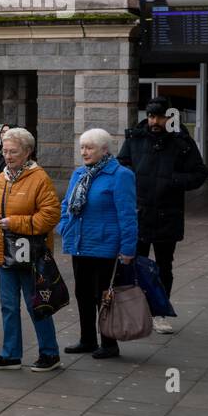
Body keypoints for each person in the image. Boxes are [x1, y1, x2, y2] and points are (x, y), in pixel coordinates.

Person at [0, 127, 62, 371]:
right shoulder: (1, 177)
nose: (7, 156)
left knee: (36, 304)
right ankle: (10, 354)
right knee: (8, 305)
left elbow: (50, 216)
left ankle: (49, 353)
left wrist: (16, 223)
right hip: (3, 252)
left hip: (31, 252)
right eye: (5, 151)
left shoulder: (39, 178)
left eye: (13, 151)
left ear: (28, 152)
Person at [117, 96, 207, 334]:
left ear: (170, 117)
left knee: (164, 266)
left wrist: (172, 181)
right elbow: (121, 165)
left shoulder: (182, 143)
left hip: (168, 214)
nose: (154, 121)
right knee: (134, 264)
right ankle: (138, 310)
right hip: (139, 213)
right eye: (150, 116)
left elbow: (199, 173)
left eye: (159, 116)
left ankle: (160, 312)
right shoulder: (135, 139)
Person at [59, 128, 138, 359]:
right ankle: (87, 340)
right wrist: (64, 227)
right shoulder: (79, 174)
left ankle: (109, 343)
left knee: (104, 296)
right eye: (82, 147)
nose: (84, 152)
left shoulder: (120, 175)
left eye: (89, 147)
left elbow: (127, 214)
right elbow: (65, 204)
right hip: (80, 244)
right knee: (83, 293)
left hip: (106, 246)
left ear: (104, 150)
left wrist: (127, 249)